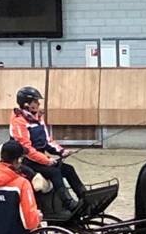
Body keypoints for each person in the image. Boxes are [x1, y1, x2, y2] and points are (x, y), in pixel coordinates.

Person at [9, 85, 87, 215]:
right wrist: (46, 160)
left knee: (68, 169)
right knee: (55, 172)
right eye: (36, 101)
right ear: (27, 104)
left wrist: (61, 151)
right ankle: (69, 204)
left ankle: (84, 197)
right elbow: (26, 149)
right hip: (26, 163)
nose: (38, 104)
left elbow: (47, 141)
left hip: (40, 160)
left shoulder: (38, 119)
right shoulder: (19, 122)